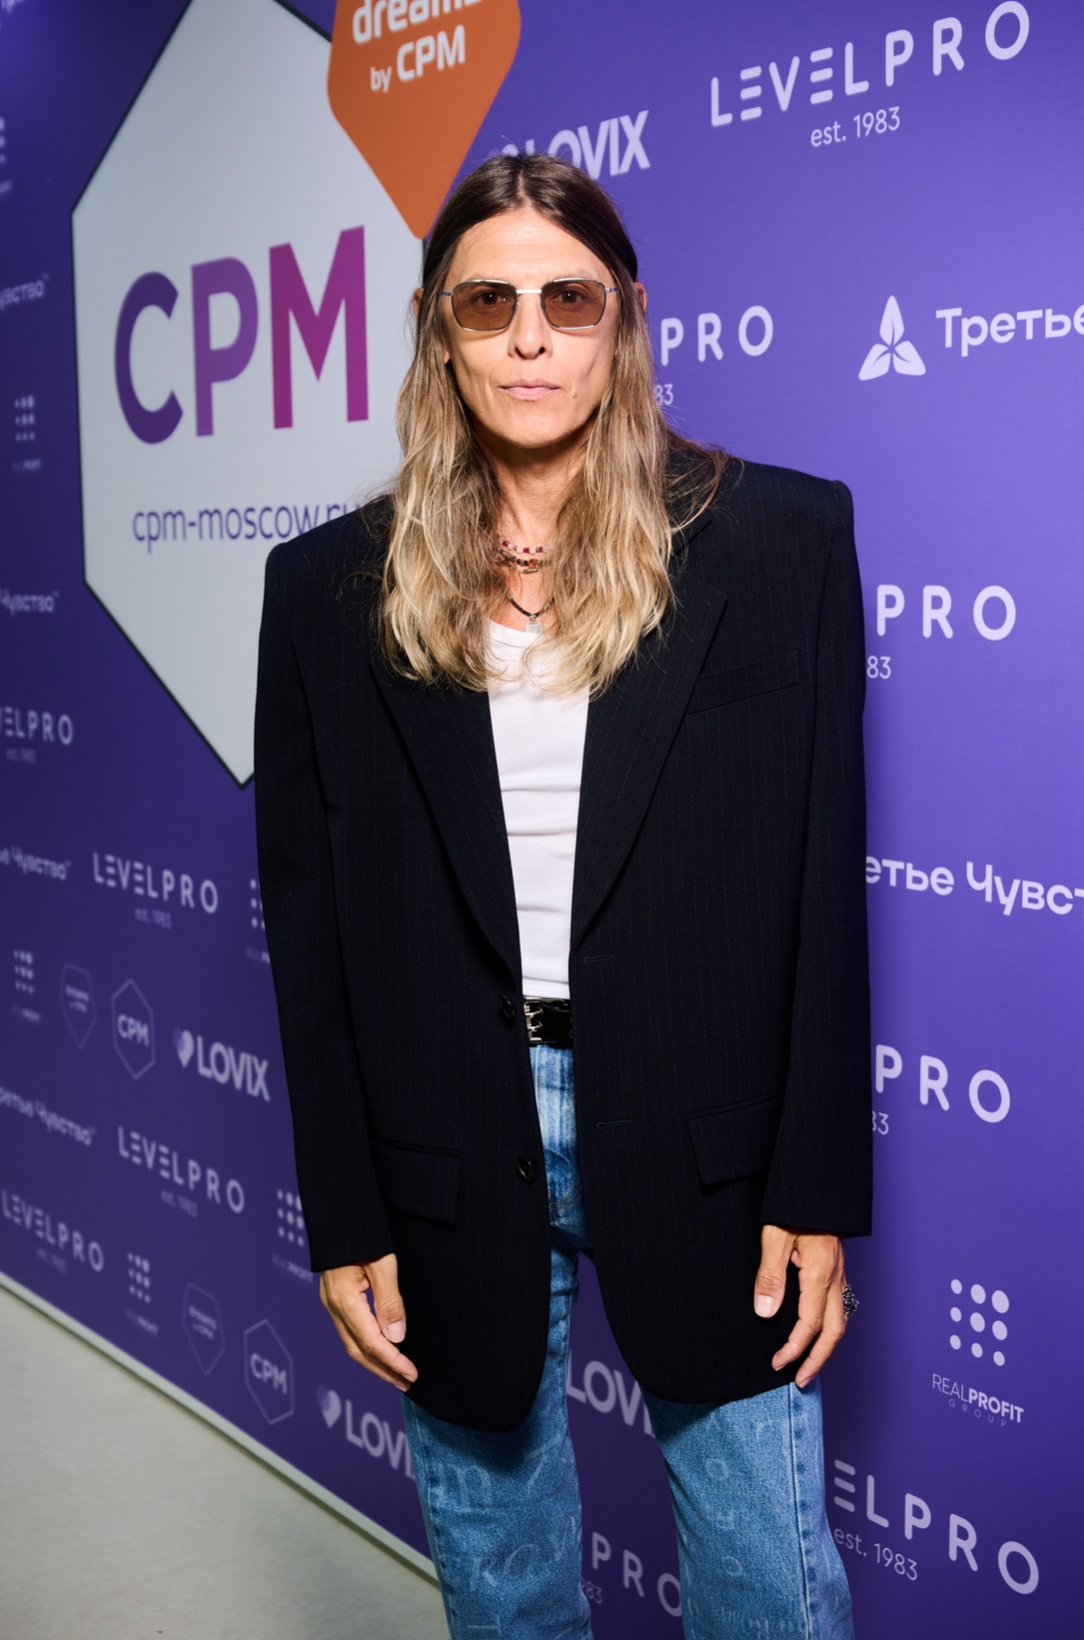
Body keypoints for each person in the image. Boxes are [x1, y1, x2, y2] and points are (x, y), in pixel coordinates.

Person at [255, 153, 871, 1640]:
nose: (529, 339)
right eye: (488, 304)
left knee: (770, 1590)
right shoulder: (324, 589)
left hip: (708, 1131)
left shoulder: (781, 543)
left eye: (568, 301)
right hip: (446, 1135)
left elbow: (820, 885)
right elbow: (311, 931)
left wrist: (815, 1185)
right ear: (437, 331)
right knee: (504, 1586)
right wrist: (343, 1210)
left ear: (626, 318)